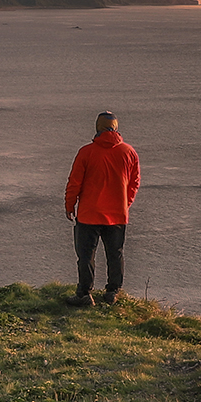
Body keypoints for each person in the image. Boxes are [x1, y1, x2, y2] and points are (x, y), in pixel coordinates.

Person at [63, 111, 140, 306]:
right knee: (115, 254)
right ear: (116, 127)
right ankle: (113, 291)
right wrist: (125, 202)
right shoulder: (129, 152)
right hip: (117, 214)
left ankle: (84, 294)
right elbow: (134, 183)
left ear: (97, 127)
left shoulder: (86, 152)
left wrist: (70, 204)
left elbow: (75, 183)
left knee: (86, 256)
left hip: (89, 213)